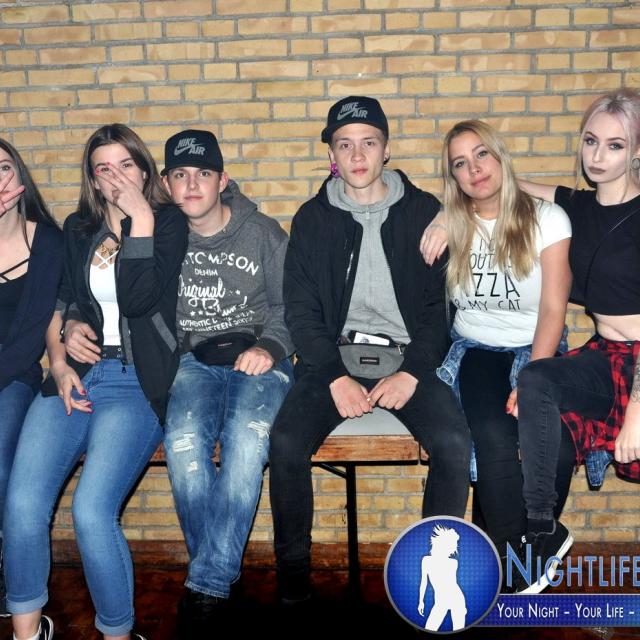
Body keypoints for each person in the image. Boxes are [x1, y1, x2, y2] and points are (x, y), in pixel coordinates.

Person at [269, 96, 472, 604]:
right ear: (331, 156)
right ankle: (293, 582)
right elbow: (301, 312)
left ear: (386, 149)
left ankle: (434, 574)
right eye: (345, 145)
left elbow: (439, 309)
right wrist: (333, 375)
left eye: (368, 143)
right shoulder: (312, 219)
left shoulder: (423, 212)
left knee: (453, 443)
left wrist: (413, 372)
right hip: (333, 358)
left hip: (407, 358)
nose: (357, 156)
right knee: (286, 442)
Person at [3, 124, 188, 640]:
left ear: (145, 171)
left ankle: (117, 633)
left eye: (126, 165)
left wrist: (141, 219)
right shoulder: (79, 228)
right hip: (79, 374)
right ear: (92, 179)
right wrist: (61, 355)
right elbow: (62, 300)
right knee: (22, 502)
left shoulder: (169, 223)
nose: (116, 177)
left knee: (90, 511)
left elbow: (138, 300)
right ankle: (26, 631)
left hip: (136, 381)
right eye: (103, 168)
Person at [421, 121, 575, 577]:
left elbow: (553, 309)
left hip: (537, 346)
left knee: (556, 447)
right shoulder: (453, 223)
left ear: (500, 156)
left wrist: (533, 382)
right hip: (476, 348)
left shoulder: (548, 219)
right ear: (453, 176)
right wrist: (442, 217)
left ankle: (525, 548)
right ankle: (521, 562)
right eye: (460, 163)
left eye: (481, 154)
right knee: (492, 437)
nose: (474, 169)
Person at [160, 129, 294, 635]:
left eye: (203, 173)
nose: (192, 184)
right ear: (167, 184)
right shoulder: (162, 237)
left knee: (246, 440)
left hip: (259, 353)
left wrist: (270, 347)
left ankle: (206, 589)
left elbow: (291, 306)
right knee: (182, 441)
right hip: (195, 360)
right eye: (180, 174)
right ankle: (213, 582)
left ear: (223, 180)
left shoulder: (261, 232)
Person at [511, 87, 640, 593]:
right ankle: (542, 530)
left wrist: (636, 412)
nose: (598, 155)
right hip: (607, 355)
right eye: (591, 141)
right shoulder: (579, 207)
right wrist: (442, 213)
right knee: (537, 377)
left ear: (636, 151)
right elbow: (502, 184)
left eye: (614, 145)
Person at [0, 140, 63, 617]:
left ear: (19, 176)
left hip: (15, 377)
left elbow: (33, 331)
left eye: (3, 168)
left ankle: (12, 575)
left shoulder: (48, 242)